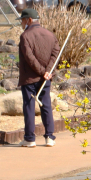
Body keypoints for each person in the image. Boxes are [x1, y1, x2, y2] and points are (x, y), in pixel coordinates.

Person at [17, 8, 60, 148]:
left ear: (29, 20)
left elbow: (29, 58)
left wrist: (43, 72)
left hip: (29, 79)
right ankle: (49, 137)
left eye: (23, 20)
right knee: (46, 106)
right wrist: (47, 72)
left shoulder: (25, 36)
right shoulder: (50, 35)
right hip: (44, 79)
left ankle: (30, 139)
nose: (22, 23)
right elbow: (55, 54)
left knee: (29, 107)